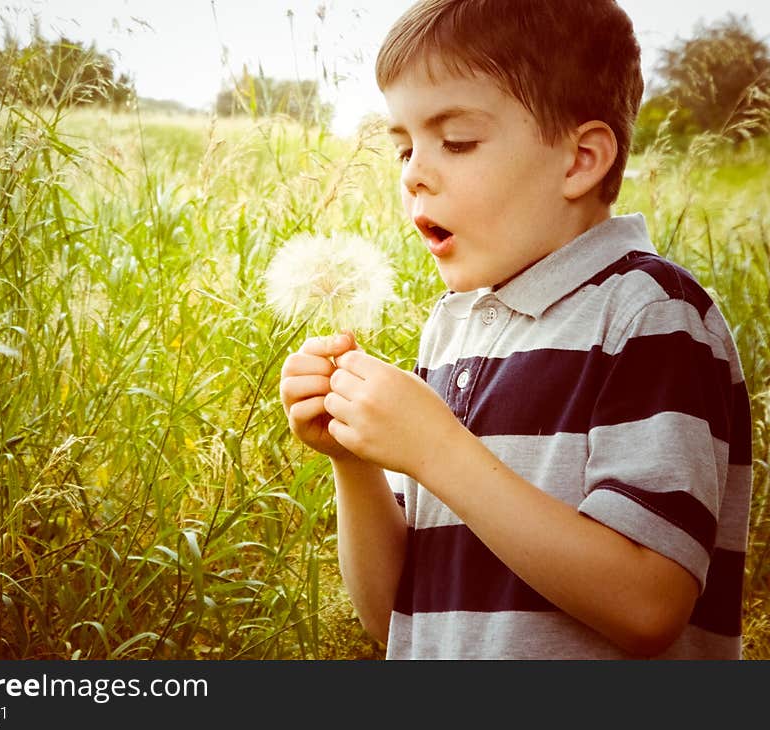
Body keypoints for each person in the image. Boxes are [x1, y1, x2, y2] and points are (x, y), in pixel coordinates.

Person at [279, 0, 752, 659]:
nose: (414, 170)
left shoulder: (649, 317)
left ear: (580, 160)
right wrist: (355, 462)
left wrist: (436, 450)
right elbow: (395, 618)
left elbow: (649, 606)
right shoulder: (453, 329)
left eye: (457, 141)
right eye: (404, 147)